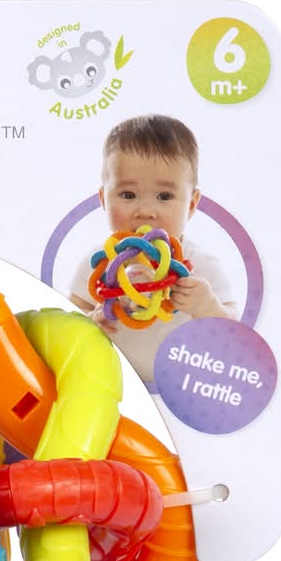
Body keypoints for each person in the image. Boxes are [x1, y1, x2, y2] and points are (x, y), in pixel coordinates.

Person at [67, 114, 238, 384]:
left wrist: (207, 306)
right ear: (103, 199)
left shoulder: (201, 265)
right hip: (113, 386)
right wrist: (90, 322)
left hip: (182, 387)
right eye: (128, 195)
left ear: (191, 204)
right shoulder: (97, 264)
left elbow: (235, 337)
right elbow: (65, 326)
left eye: (164, 196)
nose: (145, 211)